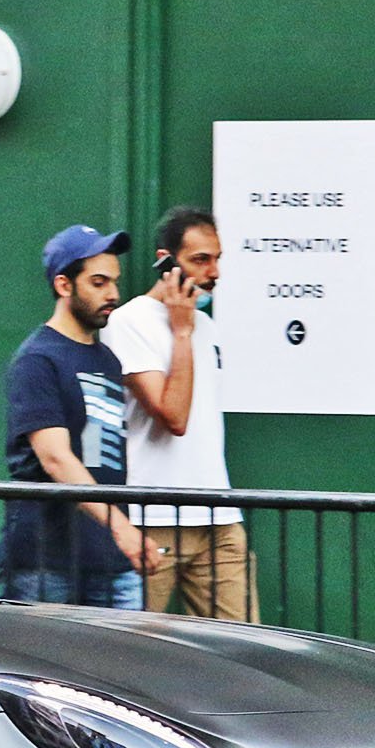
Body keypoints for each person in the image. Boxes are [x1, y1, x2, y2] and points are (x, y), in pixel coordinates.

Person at [99, 205, 256, 620]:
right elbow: (174, 417)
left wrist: (189, 327)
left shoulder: (206, 326)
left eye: (217, 258)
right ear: (166, 261)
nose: (214, 272)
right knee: (136, 648)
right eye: (200, 260)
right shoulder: (128, 322)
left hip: (218, 515)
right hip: (156, 518)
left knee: (244, 647)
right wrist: (181, 331)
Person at [0, 224, 161, 607]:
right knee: (39, 667)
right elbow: (55, 457)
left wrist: (120, 534)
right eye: (99, 282)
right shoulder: (37, 359)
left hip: (110, 561)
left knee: (119, 667)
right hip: (45, 561)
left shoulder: (107, 359)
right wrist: (122, 528)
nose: (113, 294)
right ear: (64, 285)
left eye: (114, 282)